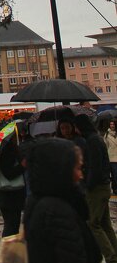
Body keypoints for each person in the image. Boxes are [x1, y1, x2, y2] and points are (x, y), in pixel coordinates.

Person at [24, 138, 101, 263]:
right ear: (61, 169)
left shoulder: (42, 201)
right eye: (78, 168)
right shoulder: (55, 210)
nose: (81, 175)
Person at [75, 113, 117, 263]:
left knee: (94, 223)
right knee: (105, 223)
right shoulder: (96, 138)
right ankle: (114, 254)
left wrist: (88, 184)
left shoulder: (92, 141)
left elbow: (95, 166)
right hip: (104, 185)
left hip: (97, 188)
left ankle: (110, 256)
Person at [0, 128, 26, 237]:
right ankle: (7, 251)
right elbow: (9, 173)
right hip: (10, 195)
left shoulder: (3, 151)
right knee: (11, 226)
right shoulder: (7, 152)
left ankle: (10, 250)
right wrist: (22, 166)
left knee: (12, 225)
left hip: (8, 196)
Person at [104, 120, 117, 194]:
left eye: (113, 124)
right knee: (114, 175)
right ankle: (114, 189)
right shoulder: (106, 135)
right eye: (111, 124)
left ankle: (115, 188)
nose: (112, 126)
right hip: (111, 158)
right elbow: (105, 147)